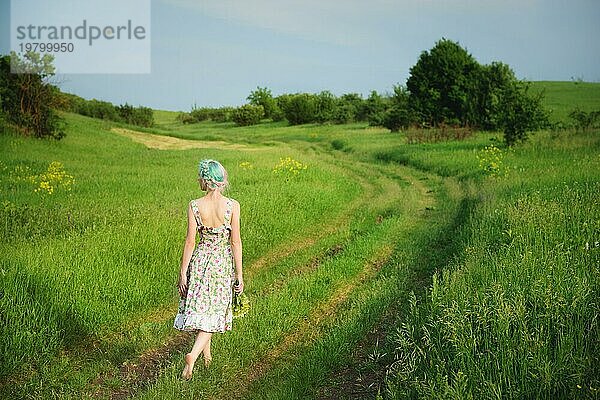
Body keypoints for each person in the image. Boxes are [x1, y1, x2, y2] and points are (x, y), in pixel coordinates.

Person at [173, 159, 243, 380]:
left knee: (203, 309)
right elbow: (235, 242)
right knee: (215, 312)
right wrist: (239, 274)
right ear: (221, 180)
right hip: (221, 263)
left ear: (204, 180)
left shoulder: (195, 205)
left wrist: (183, 271)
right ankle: (193, 355)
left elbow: (190, 242)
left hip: (200, 261)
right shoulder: (232, 206)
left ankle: (207, 359)